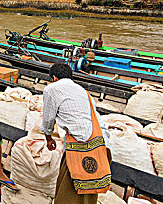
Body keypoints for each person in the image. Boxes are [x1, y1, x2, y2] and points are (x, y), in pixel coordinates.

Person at [41, 63, 111, 204]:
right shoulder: (84, 92)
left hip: (80, 146)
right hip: (102, 144)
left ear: (54, 78)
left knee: (67, 192)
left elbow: (48, 119)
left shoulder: (51, 89)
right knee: (89, 192)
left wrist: (48, 138)